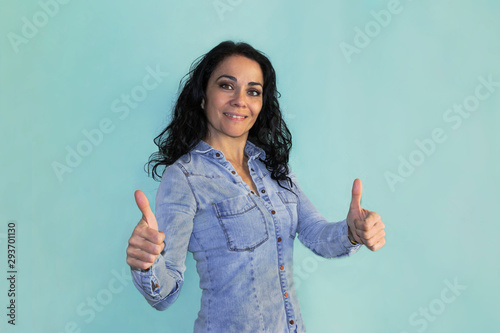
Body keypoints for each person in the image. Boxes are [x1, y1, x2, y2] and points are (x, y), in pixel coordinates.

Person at [126, 40, 386, 332]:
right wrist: (146, 264)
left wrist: (352, 231)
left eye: (253, 91)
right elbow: (164, 291)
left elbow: (316, 234)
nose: (240, 100)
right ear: (202, 97)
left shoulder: (275, 169)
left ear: (261, 104)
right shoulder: (184, 177)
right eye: (226, 86)